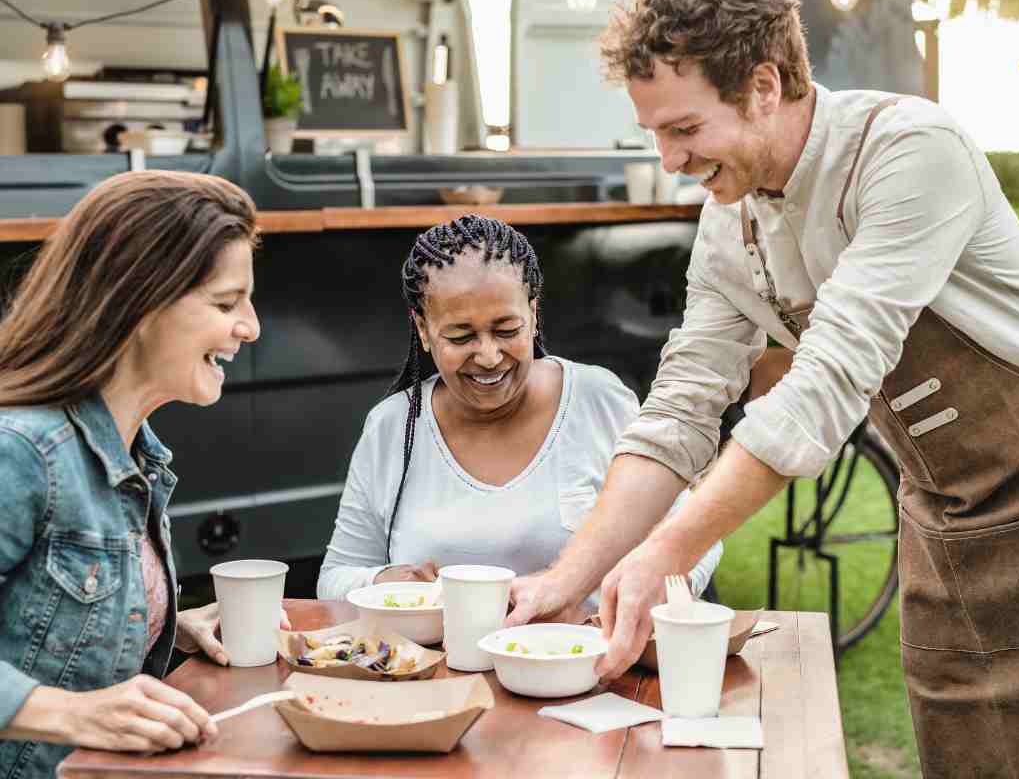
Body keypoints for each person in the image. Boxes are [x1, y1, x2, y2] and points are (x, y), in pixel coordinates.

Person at [503, 0, 1019, 777]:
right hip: (947, 532)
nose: (669, 160)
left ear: (764, 86)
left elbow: (827, 380)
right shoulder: (729, 224)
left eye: (686, 128)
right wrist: (571, 575)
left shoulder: (911, 151)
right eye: (653, 133)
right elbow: (681, 409)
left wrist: (669, 549)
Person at [0, 170, 269, 777]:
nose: (250, 327)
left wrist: (165, 625)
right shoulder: (24, 450)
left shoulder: (136, 450)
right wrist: (71, 715)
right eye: (227, 303)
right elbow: (73, 702)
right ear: (140, 302)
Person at [317, 214, 720, 608]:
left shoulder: (596, 400)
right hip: (438, 672)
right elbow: (335, 576)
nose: (489, 356)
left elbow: (696, 538)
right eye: (461, 336)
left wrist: (636, 600)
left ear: (533, 312)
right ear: (422, 330)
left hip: (584, 664)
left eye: (507, 330)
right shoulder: (393, 426)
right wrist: (383, 581)